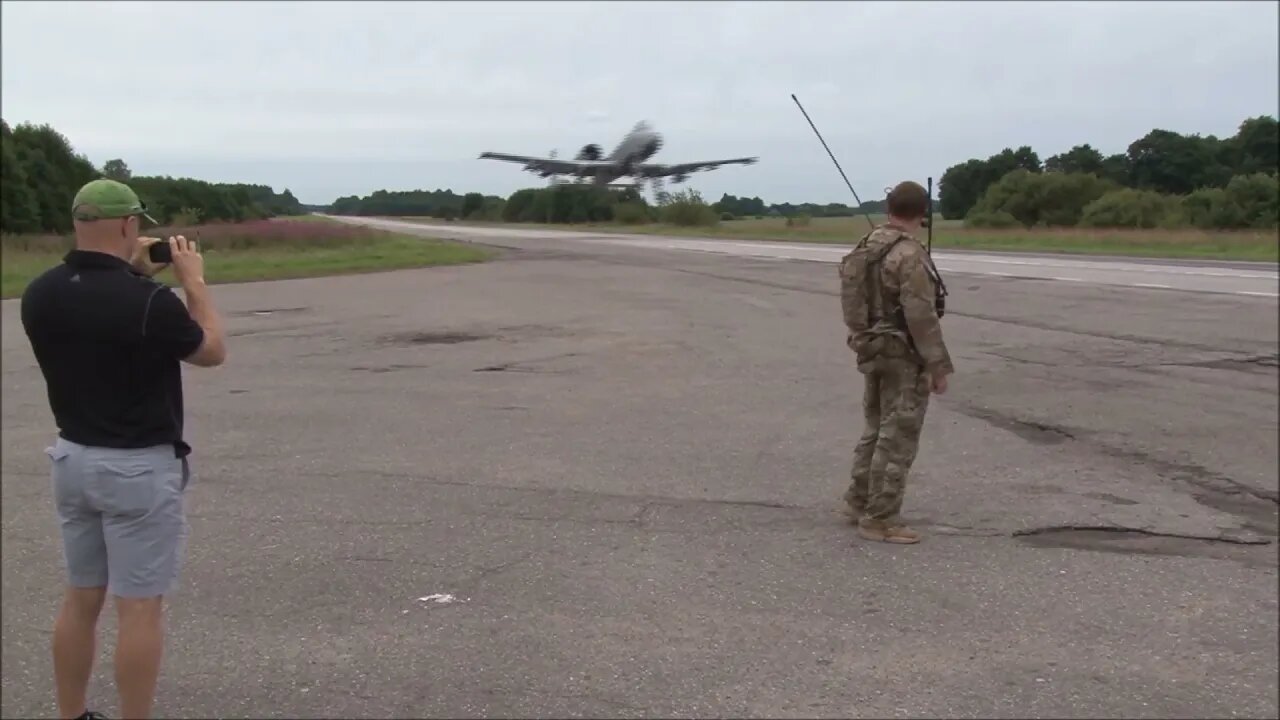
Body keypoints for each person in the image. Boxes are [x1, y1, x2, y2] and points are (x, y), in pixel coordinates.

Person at [20, 178, 227, 719]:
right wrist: (195, 284)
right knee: (138, 609)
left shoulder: (41, 292)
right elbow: (210, 351)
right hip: (136, 467)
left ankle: (71, 713)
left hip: (73, 457)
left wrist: (134, 276)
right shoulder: (150, 302)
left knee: (81, 597)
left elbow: (95, 313)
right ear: (130, 226)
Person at [838, 180, 953, 545]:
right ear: (923, 214)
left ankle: (858, 500)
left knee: (875, 427)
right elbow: (921, 315)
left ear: (890, 208)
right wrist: (937, 365)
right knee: (898, 434)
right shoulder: (908, 254)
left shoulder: (866, 247)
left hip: (871, 347)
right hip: (902, 353)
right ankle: (881, 517)